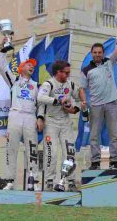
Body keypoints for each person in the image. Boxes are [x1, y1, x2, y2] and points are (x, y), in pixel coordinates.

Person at [0, 39, 44, 191]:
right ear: (21, 68)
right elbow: (2, 66)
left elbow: (41, 102)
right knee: (11, 148)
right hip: (15, 116)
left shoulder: (36, 85)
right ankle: (10, 181)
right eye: (28, 64)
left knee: (32, 149)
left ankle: (33, 181)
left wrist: (40, 117)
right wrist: (3, 51)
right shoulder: (14, 80)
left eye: (33, 65)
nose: (31, 66)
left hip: (30, 116)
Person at [79, 42, 117, 170]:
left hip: (111, 103)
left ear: (103, 53)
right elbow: (82, 89)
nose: (97, 55)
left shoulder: (108, 61)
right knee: (94, 135)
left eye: (100, 52)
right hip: (95, 105)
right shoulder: (85, 70)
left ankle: (114, 160)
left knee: (114, 134)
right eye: (95, 52)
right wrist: (83, 101)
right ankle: (95, 162)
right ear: (91, 53)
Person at [37, 60, 80, 191]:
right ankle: (49, 182)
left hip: (65, 122)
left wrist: (76, 107)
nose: (68, 75)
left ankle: (70, 182)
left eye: (69, 72)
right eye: (66, 73)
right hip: (51, 122)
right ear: (58, 72)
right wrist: (58, 101)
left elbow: (79, 95)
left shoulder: (70, 84)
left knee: (69, 152)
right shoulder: (48, 83)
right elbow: (40, 97)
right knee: (52, 152)